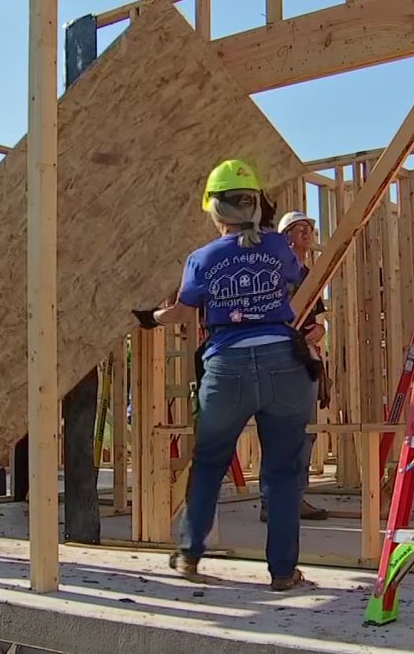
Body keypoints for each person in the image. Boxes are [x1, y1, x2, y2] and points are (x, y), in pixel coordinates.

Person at [134, 159, 318, 590]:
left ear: (214, 209)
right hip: (282, 363)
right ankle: (283, 571)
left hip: (227, 364)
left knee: (210, 462)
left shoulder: (202, 258)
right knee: (282, 470)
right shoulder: (277, 248)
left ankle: (189, 554)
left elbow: (182, 311)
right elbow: (298, 280)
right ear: (256, 204)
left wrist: (151, 318)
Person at [260, 210, 331, 523]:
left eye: (309, 228)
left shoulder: (309, 273)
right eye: (298, 228)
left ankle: (295, 497)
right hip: (282, 359)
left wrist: (321, 331)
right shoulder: (277, 272)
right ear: (285, 236)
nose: (306, 232)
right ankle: (272, 501)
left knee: (306, 433)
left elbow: (318, 319)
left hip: (307, 360)